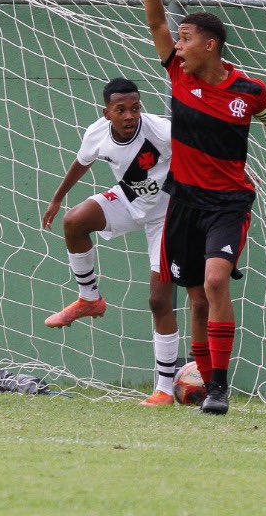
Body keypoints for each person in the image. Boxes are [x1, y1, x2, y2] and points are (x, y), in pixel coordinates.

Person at [137, 0, 266, 415]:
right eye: (180, 39)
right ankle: (203, 377)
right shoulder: (177, 75)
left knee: (215, 283)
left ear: (210, 45)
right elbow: (154, 24)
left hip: (228, 203)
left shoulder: (248, 90)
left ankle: (219, 389)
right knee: (194, 297)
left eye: (187, 39)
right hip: (183, 202)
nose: (179, 46)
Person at [41, 77, 181, 406]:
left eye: (135, 107)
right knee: (74, 221)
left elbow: (202, 147)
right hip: (130, 200)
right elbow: (82, 162)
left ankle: (164, 388)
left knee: (159, 300)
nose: (130, 115)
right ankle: (89, 299)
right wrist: (58, 198)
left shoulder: (161, 130)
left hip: (169, 214)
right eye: (121, 110)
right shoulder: (96, 133)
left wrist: (237, 172)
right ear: (107, 113)